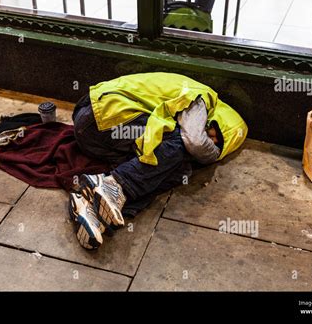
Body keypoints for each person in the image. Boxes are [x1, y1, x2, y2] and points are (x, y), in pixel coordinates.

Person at [70, 72, 248, 250]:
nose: (210, 141)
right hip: (100, 114)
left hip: (99, 135)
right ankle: (116, 185)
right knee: (182, 143)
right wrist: (212, 153)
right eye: (213, 136)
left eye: (216, 144)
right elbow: (195, 141)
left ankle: (93, 206)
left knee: (178, 170)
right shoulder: (202, 97)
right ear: (220, 121)